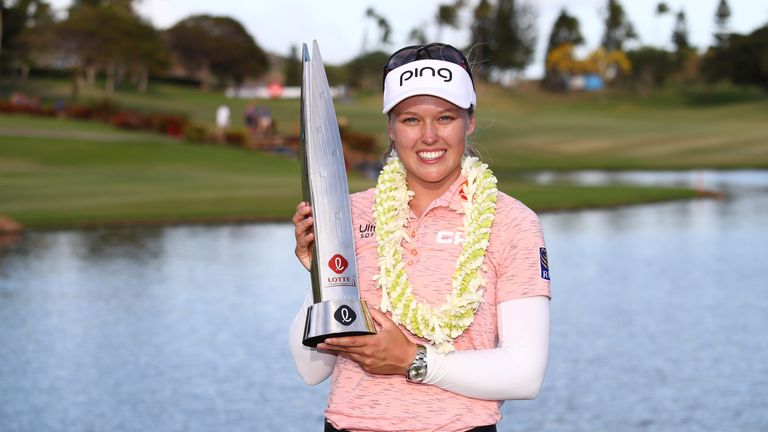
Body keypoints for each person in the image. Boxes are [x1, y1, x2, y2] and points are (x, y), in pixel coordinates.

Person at [290, 43, 551, 432]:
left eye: (445, 117)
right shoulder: (350, 212)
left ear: (470, 121)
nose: (429, 136)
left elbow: (525, 374)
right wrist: (321, 279)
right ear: (391, 128)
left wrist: (412, 359)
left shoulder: (512, 222)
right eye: (411, 120)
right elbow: (311, 369)